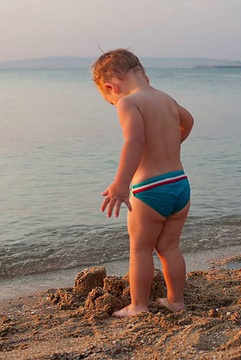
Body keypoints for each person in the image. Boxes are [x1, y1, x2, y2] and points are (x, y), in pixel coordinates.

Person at [91, 49, 194, 317]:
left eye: (110, 100)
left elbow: (134, 142)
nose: (116, 104)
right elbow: (189, 121)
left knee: (140, 249)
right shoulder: (166, 99)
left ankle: (138, 306)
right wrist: (170, 144)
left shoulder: (129, 103)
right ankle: (176, 301)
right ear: (144, 76)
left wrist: (121, 183)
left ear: (111, 87)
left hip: (150, 190)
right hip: (180, 185)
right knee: (169, 247)